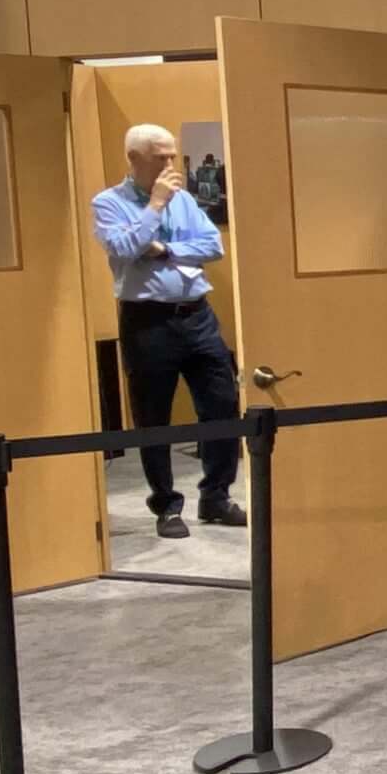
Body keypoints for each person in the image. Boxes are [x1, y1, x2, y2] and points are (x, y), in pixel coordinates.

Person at [92, 123, 243, 539]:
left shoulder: (186, 200)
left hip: (197, 314)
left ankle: (216, 497)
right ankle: (166, 506)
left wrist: (166, 250)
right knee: (153, 416)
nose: (171, 164)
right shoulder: (108, 203)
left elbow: (213, 246)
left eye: (173, 155)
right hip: (147, 321)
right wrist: (155, 205)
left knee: (222, 403)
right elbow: (124, 247)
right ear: (134, 159)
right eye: (161, 157)